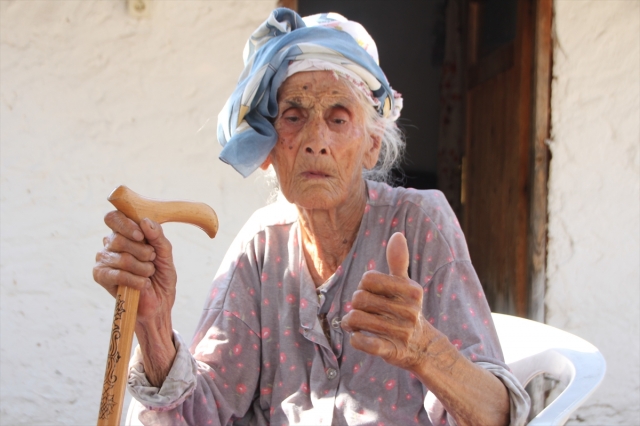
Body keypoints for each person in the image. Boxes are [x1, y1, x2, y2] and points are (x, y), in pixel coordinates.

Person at [93, 8, 530, 426]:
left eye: (338, 119)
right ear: (269, 150)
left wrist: (424, 350)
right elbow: (201, 413)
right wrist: (152, 323)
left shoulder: (421, 223)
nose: (315, 140)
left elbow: (495, 415)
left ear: (372, 145)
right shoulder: (262, 245)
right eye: (294, 117)